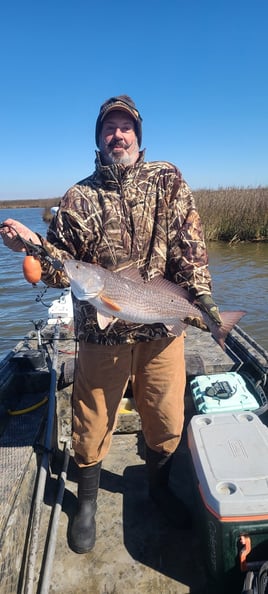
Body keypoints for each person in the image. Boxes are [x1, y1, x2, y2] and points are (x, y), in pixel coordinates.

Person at [0, 95, 222, 554]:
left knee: (165, 416)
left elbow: (190, 246)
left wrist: (202, 303)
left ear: (138, 136)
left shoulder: (168, 180)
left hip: (161, 326)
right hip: (101, 335)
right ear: (99, 139)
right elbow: (62, 267)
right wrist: (32, 248)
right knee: (91, 419)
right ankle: (86, 502)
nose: (117, 135)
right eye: (109, 128)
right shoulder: (79, 196)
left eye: (125, 127)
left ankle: (159, 490)